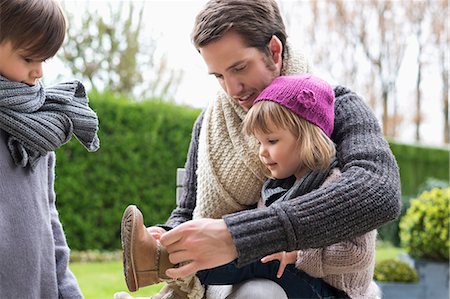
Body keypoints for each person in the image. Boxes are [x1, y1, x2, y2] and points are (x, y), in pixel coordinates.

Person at [117, 0, 401, 298]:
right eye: (219, 76)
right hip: (223, 271)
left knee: (259, 292)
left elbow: (378, 189)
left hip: (298, 278)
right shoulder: (210, 123)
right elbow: (188, 211)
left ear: (274, 51)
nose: (232, 89)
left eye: (239, 68)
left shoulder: (333, 106)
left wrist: (240, 234)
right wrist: (168, 235)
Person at [0, 0, 100, 298]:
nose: (39, 71)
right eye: (29, 58)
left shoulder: (37, 126)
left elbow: (49, 222)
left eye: (45, 59)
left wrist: (68, 291)